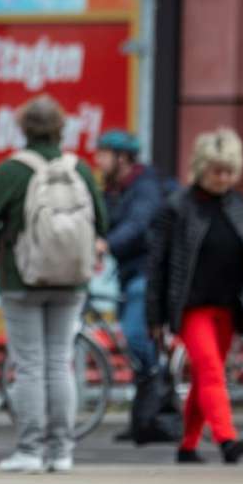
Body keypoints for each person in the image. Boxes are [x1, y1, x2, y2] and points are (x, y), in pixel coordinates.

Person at [0, 95, 108, 474]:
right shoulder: (78, 169)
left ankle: (30, 451)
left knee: (30, 364)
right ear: (61, 128)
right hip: (72, 281)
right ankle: (62, 451)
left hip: (22, 279)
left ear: (23, 127)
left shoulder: (12, 171)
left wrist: (7, 244)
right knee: (59, 362)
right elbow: (102, 220)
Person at [147, 128, 243, 465]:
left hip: (230, 305)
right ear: (202, 168)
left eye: (230, 171)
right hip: (191, 306)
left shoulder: (239, 204)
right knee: (211, 370)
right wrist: (154, 317)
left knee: (205, 376)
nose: (223, 178)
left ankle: (187, 446)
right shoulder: (177, 207)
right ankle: (227, 439)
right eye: (217, 171)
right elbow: (157, 266)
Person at [94, 130, 166, 441]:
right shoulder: (113, 189)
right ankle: (144, 421)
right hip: (129, 273)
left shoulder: (145, 185)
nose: (98, 160)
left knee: (137, 336)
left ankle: (160, 397)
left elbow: (138, 224)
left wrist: (105, 246)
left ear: (122, 158)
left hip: (148, 273)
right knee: (133, 345)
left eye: (104, 154)